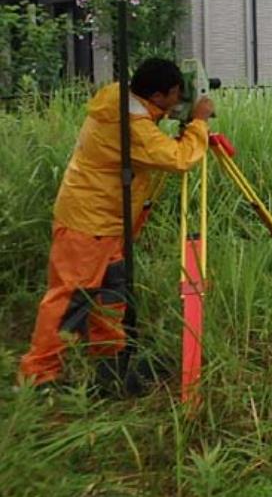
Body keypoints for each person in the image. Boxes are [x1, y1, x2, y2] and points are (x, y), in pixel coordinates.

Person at [18, 58, 214, 390]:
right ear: (157, 95)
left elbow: (149, 128)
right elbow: (179, 158)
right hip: (88, 224)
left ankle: (110, 360)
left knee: (111, 294)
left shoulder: (117, 98)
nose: (178, 100)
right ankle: (38, 376)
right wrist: (198, 123)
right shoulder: (133, 128)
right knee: (70, 299)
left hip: (104, 223)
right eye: (175, 94)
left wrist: (170, 114)